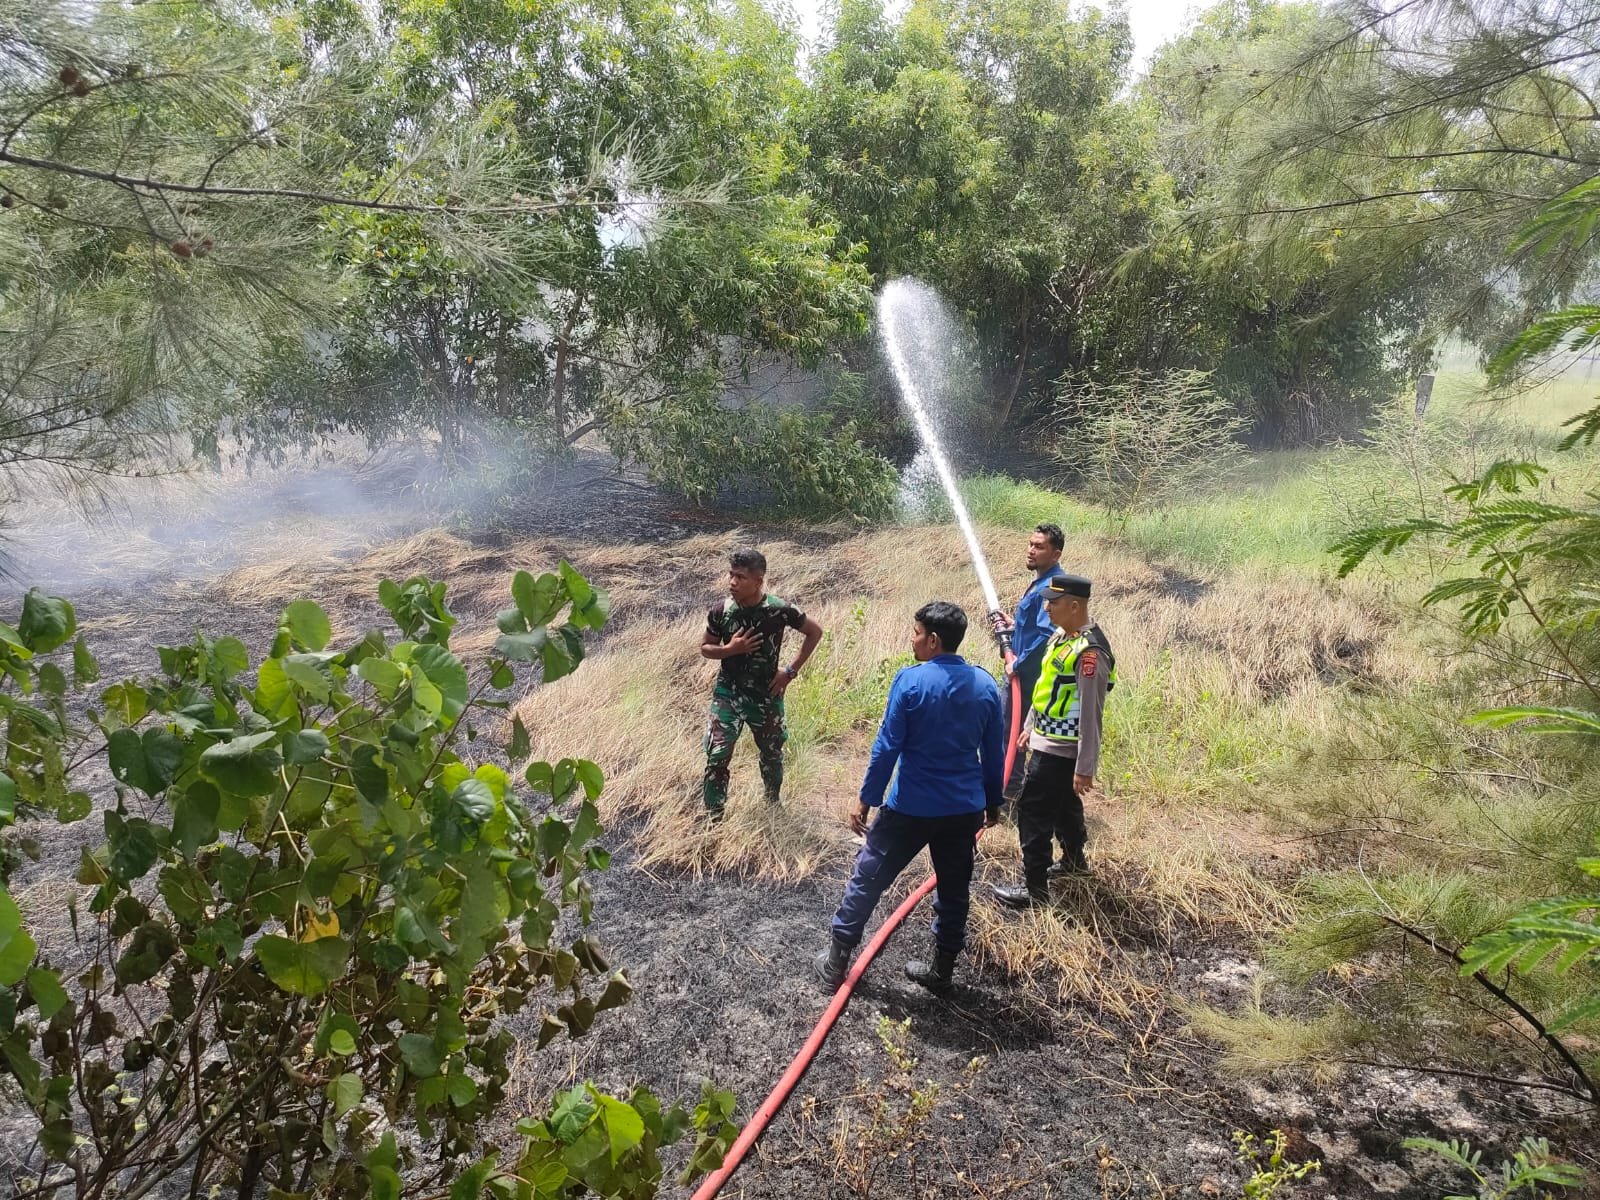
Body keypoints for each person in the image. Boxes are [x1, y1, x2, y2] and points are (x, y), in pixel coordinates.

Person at [814, 601, 1005, 994]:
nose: (912, 639)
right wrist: (993, 802)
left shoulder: (910, 681)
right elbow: (994, 753)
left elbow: (887, 748)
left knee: (868, 878)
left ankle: (836, 963)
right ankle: (942, 971)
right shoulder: (986, 686)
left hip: (910, 808)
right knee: (954, 891)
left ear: (934, 640)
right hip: (962, 811)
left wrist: (866, 798)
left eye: (916, 632)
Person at [992, 574, 1115, 909]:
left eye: (1053, 603)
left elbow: (1091, 715)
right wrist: (1030, 725)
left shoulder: (1090, 653)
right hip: (1046, 740)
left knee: (1033, 813)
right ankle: (1075, 863)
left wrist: (1085, 767)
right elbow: (1046, 687)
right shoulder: (1061, 637)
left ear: (1074, 606)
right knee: (1064, 807)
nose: (1046, 608)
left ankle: (1036, 890)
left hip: (1061, 752)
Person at [699, 548, 823, 821]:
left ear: (759, 580)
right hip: (728, 692)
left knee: (772, 753)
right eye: (730, 575)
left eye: (740, 577)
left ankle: (772, 804)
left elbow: (815, 632)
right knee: (718, 753)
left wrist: (790, 672)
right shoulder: (721, 611)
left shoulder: (779, 610)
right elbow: (706, 648)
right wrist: (731, 649)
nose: (732, 582)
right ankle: (713, 818)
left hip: (765, 694)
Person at [988, 524, 1067, 796]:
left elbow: (1047, 635)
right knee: (1008, 731)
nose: (1031, 550)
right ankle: (1008, 790)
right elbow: (1035, 626)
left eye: (1039, 546)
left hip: (1028, 678)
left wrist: (1017, 666)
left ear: (1055, 555)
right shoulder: (1042, 581)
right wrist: (1012, 626)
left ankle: (1008, 795)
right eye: (1031, 544)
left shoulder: (1053, 585)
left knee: (1011, 736)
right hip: (1022, 673)